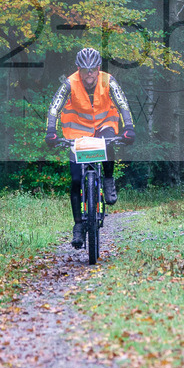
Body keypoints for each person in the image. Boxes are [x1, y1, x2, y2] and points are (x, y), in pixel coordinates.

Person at [45, 48, 135, 249]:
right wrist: (51, 131)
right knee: (76, 179)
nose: (89, 74)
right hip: (77, 132)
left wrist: (129, 127)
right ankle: (78, 225)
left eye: (93, 69)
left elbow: (122, 104)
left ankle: (108, 180)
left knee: (109, 142)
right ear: (78, 69)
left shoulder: (108, 81)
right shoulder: (69, 83)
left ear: (98, 68)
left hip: (104, 125)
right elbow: (54, 107)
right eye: (85, 70)